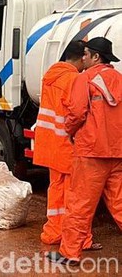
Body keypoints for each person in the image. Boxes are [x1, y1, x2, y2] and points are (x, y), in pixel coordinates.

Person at [49, 37, 122, 264]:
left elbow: (77, 113)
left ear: (96, 57)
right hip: (117, 152)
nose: (83, 58)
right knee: (119, 203)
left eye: (86, 54)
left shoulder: (85, 79)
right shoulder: (119, 80)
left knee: (79, 205)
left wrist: (70, 132)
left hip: (91, 153)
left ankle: (69, 253)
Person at [33, 40, 101, 249]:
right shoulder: (75, 79)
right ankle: (79, 240)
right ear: (82, 58)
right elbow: (78, 113)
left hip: (49, 145)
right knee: (77, 196)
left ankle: (53, 233)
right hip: (68, 145)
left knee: (56, 191)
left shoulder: (50, 76)